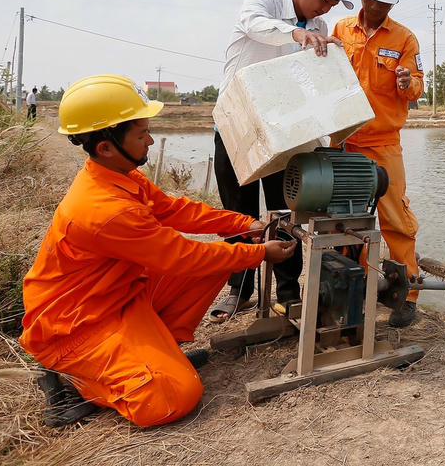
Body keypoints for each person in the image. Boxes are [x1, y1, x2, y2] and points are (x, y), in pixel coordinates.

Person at [19, 74, 296, 428]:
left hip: (115, 297)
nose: (150, 139)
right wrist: (260, 253)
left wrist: (243, 225)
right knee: (173, 396)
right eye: (141, 134)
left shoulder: (120, 176)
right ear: (105, 146)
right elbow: (184, 256)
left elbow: (176, 210)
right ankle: (72, 378)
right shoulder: (103, 209)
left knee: (214, 261)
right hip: (77, 327)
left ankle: (156, 351)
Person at [209, 0, 353, 321]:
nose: (326, 10)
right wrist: (297, 35)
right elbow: (257, 27)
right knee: (237, 214)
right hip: (236, 124)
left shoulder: (319, 27)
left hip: (284, 129)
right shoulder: (264, 3)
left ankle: (288, 293)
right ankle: (239, 290)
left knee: (286, 212)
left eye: (334, 5)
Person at [332, 0, 424, 327]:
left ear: (394, 1)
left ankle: (407, 296)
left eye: (384, 2)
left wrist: (407, 84)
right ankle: (350, 290)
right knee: (343, 222)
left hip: (384, 144)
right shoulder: (339, 30)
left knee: (396, 221)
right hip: (343, 144)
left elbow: (417, 87)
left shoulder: (405, 39)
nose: (375, 7)